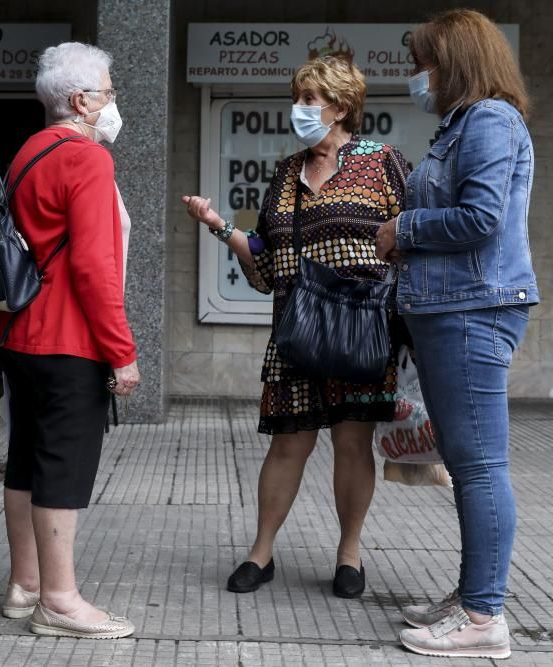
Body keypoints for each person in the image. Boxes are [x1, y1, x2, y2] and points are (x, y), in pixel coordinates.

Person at [183, 56, 410, 600]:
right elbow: (263, 259)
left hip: (360, 328)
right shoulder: (286, 173)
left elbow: (411, 241)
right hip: (297, 329)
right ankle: (261, 553)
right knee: (287, 444)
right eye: (300, 98)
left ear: (340, 107)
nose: (300, 110)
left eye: (310, 100)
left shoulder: (383, 163)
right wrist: (220, 229)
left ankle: (349, 554)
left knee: (352, 443)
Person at [374, 9, 539, 660]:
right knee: (469, 464)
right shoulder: (463, 125)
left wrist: (402, 231)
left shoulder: (491, 120)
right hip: (451, 307)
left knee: (478, 466)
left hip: (472, 309)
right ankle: (474, 593)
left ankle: (483, 616)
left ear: (457, 62)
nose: (418, 75)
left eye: (424, 62)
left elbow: (480, 217)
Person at [0, 41, 139, 639]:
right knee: (63, 467)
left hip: (19, 332)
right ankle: (60, 600)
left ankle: (24, 585)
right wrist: (122, 353)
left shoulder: (30, 149)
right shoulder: (89, 158)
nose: (112, 101)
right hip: (69, 339)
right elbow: (95, 269)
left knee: (24, 459)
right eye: (107, 90)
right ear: (81, 100)